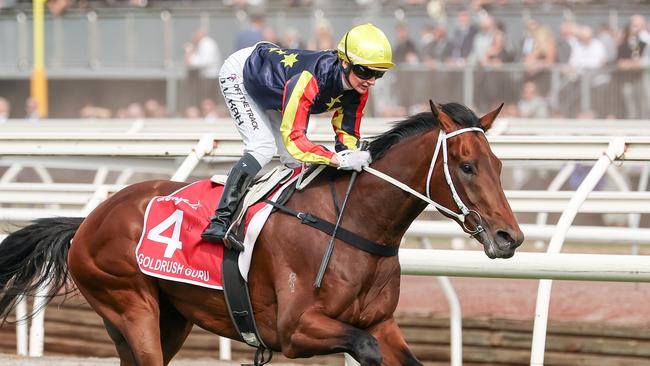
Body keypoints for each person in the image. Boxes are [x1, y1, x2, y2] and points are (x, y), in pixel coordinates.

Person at [201, 23, 394, 249]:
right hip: (243, 75)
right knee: (262, 147)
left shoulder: (359, 89)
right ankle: (220, 221)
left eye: (378, 74)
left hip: (276, 83)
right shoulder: (310, 79)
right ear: (344, 62)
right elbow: (295, 140)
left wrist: (352, 156)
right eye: (365, 71)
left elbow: (347, 133)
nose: (370, 80)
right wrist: (338, 160)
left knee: (294, 162)